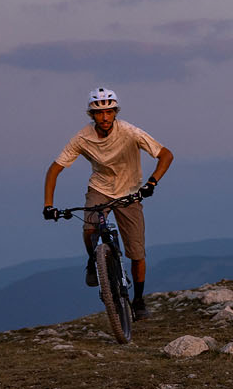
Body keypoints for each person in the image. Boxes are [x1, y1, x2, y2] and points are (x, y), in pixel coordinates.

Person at [43, 87, 174, 320]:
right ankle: (94, 262)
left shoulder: (129, 132)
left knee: (136, 252)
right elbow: (55, 169)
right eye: (99, 113)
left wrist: (152, 183)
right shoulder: (82, 138)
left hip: (131, 191)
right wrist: (48, 205)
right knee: (89, 226)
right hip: (100, 188)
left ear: (115, 112)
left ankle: (139, 300)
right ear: (91, 115)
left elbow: (166, 155)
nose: (105, 117)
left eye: (109, 112)